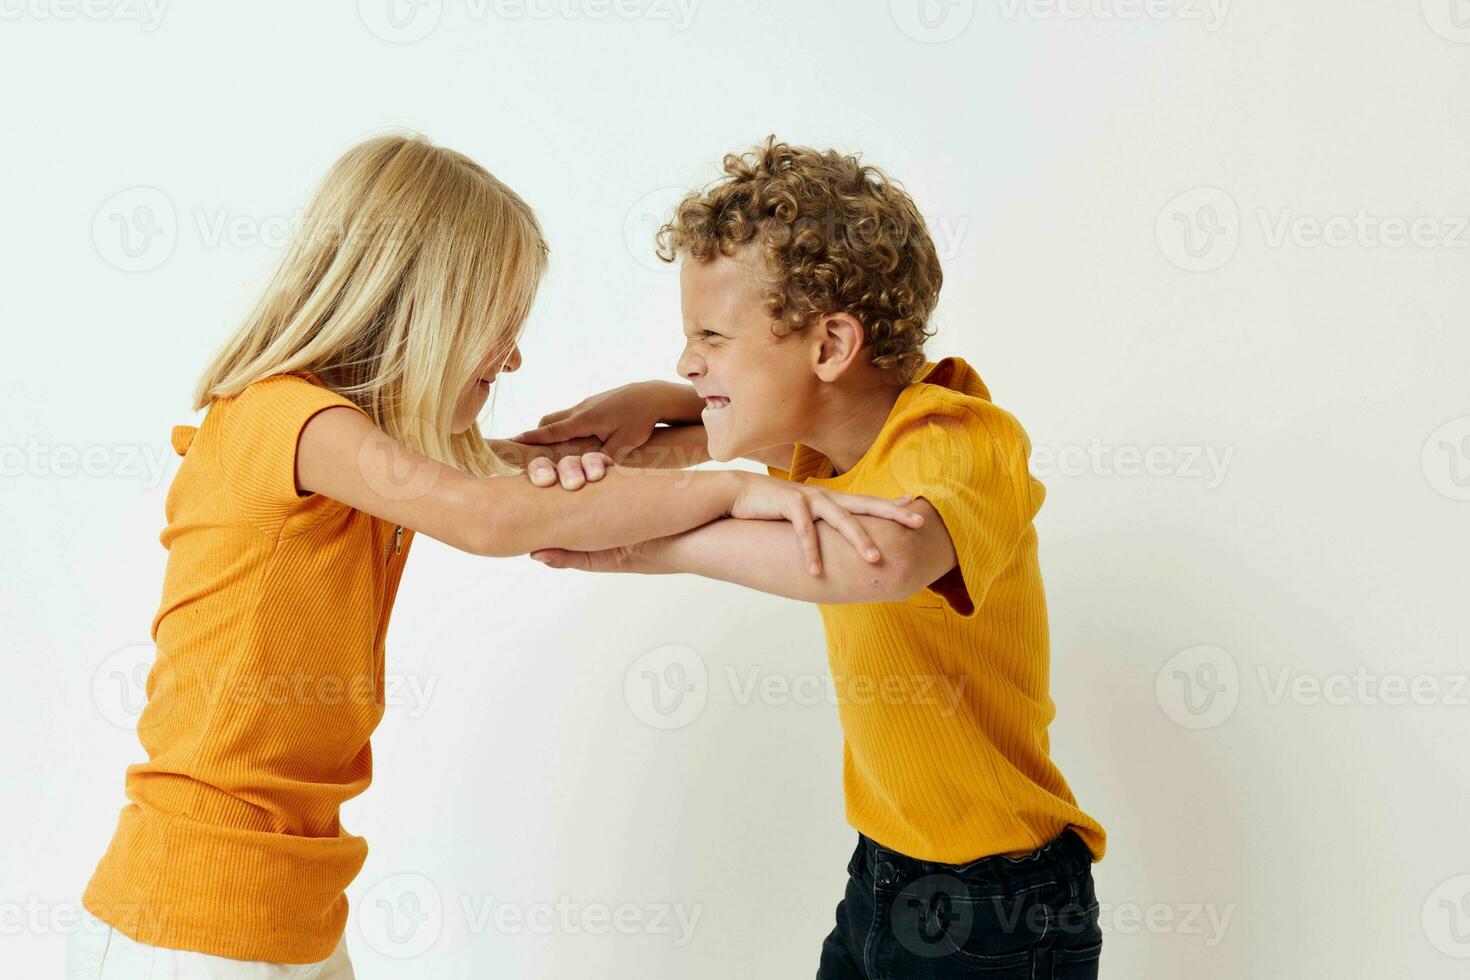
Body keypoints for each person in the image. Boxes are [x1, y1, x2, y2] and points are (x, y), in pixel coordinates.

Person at [67, 133, 923, 979]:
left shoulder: (363, 447)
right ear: (419, 308)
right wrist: (735, 490)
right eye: (497, 328)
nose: (512, 358)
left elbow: (530, 477)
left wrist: (668, 436)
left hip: (289, 905)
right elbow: (485, 513)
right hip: (187, 916)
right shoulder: (282, 417)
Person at [520, 137, 1107, 978]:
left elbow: (877, 560)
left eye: (711, 336)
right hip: (884, 874)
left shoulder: (961, 440)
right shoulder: (824, 455)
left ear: (830, 346)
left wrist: (657, 541)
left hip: (1000, 906)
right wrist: (649, 414)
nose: (689, 359)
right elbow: (714, 433)